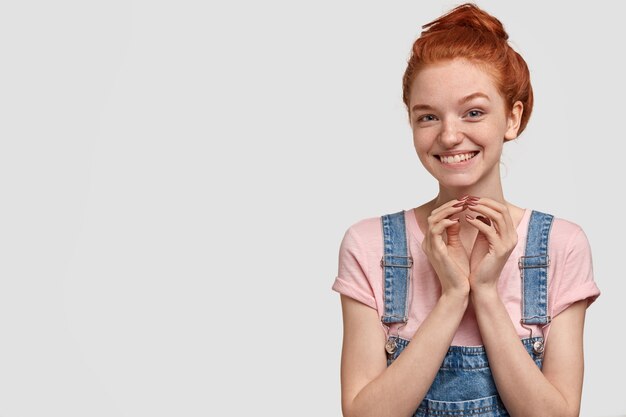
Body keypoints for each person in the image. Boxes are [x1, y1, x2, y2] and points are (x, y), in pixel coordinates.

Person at [331, 3, 601, 417]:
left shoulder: (560, 246)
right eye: (428, 117)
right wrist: (454, 296)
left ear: (512, 119)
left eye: (473, 112)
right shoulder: (369, 246)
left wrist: (487, 293)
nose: (449, 135)